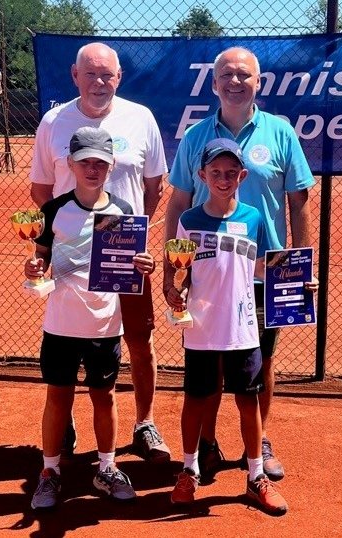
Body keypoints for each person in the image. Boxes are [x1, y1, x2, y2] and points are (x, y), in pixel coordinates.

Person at [164, 46, 317, 481]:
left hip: (267, 270)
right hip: (206, 273)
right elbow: (178, 202)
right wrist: (172, 267)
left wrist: (301, 265)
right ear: (214, 84)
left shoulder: (280, 133)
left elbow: (299, 202)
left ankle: (259, 441)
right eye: (227, 74)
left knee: (262, 361)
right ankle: (207, 443)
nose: (235, 81)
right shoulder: (195, 137)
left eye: (244, 75)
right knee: (210, 362)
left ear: (258, 82)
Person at [30, 42, 170, 463]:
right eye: (90, 73)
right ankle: (65, 425)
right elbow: (40, 190)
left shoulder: (141, 118)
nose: (99, 82)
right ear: (75, 76)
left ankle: (144, 423)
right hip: (70, 260)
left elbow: (154, 187)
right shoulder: (53, 121)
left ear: (119, 77)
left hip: (124, 257)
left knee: (139, 341)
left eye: (107, 74)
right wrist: (69, 232)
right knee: (71, 342)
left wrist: (128, 234)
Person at [26, 126, 157, 510]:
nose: (93, 169)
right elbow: (40, 260)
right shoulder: (53, 211)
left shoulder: (125, 211)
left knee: (105, 397)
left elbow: (131, 265)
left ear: (111, 165)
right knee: (58, 397)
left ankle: (107, 467)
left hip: (105, 325)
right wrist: (33, 270)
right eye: (85, 162)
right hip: (62, 325)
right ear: (71, 164)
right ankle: (50, 471)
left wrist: (144, 265)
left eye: (100, 162)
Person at [165, 138, 288, 516]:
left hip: (242, 328)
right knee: (196, 399)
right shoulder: (189, 221)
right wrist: (174, 290)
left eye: (231, 173)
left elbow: (263, 265)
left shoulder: (253, 218)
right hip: (201, 328)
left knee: (248, 401)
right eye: (216, 172)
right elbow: (180, 270)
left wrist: (298, 281)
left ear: (242, 176)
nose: (223, 179)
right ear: (202, 176)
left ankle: (255, 476)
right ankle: (189, 471)